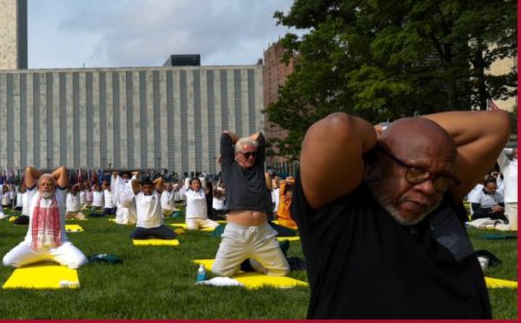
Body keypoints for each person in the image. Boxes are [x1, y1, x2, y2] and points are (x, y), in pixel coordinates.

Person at [291, 110, 511, 318]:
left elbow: (497, 125)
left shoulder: (440, 194)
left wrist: (401, 134)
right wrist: (389, 133)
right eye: (415, 171)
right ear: (375, 163)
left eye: (441, 178)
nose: (428, 188)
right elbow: (337, 129)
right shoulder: (344, 210)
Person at [210, 131, 289, 277]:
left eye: (254, 154)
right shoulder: (229, 166)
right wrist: (242, 143)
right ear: (236, 155)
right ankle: (247, 261)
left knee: (282, 271)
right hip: (236, 233)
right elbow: (225, 135)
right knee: (219, 272)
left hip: (262, 232)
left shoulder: (258, 165)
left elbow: (259, 136)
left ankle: (252, 262)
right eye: (247, 154)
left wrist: (246, 145)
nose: (251, 157)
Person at [2, 166, 87, 270]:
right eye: (43, 184)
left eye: (49, 184)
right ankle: (39, 257)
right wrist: (46, 177)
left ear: (55, 186)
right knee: (7, 261)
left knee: (80, 261)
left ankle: (50, 258)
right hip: (33, 246)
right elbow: (29, 170)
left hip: (58, 246)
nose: (46, 186)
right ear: (38, 187)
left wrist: (48, 177)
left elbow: (63, 170)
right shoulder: (33, 194)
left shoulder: (60, 194)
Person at [129, 175, 177, 240]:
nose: (147, 189)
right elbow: (133, 181)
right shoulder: (138, 194)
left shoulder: (157, 193)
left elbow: (160, 179)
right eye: (145, 188)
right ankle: (149, 234)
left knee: (172, 236)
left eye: (149, 187)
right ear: (142, 188)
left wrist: (150, 183)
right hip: (142, 226)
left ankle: (153, 234)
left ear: (152, 187)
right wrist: (143, 182)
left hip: (157, 226)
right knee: (133, 237)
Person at [497, 147, 517, 231]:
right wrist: (511, 150)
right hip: (513, 202)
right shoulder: (507, 164)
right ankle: (496, 225)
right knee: (514, 228)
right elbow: (496, 149)